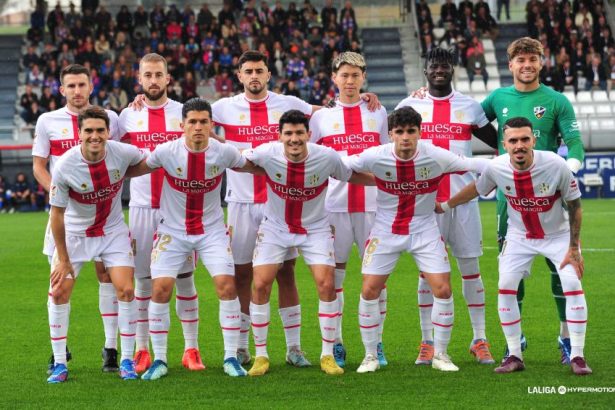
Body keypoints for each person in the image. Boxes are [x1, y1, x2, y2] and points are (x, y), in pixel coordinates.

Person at [438, 117, 591, 375]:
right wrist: (444, 206)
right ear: (504, 144)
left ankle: (577, 355)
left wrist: (574, 247)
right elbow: (476, 188)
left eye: (524, 139)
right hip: (519, 237)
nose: (519, 145)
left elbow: (575, 206)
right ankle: (514, 355)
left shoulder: (556, 165)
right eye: (513, 140)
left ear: (533, 140)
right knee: (506, 286)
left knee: (572, 284)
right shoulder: (496, 167)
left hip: (557, 236)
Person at [345, 107, 489, 374]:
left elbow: (474, 164)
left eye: (411, 131)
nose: (405, 138)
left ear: (420, 133)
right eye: (399, 132)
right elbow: (342, 168)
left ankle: (441, 354)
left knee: (443, 289)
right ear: (390, 135)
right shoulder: (375, 156)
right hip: (385, 230)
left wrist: (514, 164)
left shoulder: (435, 155)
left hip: (424, 229)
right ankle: (369, 355)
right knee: (369, 290)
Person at [125, 98, 259, 380]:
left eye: (203, 122)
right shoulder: (165, 152)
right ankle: (160, 359)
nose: (198, 127)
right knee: (160, 288)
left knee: (226, 285)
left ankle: (231, 357)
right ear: (182, 125)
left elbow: (255, 165)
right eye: (193, 122)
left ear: (211, 125)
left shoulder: (224, 153)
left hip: (211, 232)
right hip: (172, 232)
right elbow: (135, 169)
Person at [243, 109, 373, 376]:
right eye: (288, 133)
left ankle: (327, 355)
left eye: (299, 133)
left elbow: (350, 176)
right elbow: (236, 161)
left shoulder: (326, 157)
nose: (294, 139)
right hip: (275, 226)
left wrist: (386, 181)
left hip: (315, 227)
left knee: (327, 284)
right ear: (279, 136)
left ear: (309, 134)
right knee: (260, 283)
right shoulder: (267, 152)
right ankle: (261, 355)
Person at [481, 37, 584, 364]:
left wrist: (569, 170)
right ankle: (516, 341)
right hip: (508, 199)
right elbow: (469, 121)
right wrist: (497, 149)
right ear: (510, 65)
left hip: (549, 196)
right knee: (510, 271)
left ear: (541, 62)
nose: (526, 65)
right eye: (520, 60)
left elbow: (575, 142)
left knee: (561, 269)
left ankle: (566, 337)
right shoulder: (497, 97)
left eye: (532, 59)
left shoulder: (556, 101)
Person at [396, 47, 498, 367]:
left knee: (471, 270)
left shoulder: (469, 107)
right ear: (425, 71)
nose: (439, 69)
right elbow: (391, 140)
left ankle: (479, 338)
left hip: (463, 201)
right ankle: (427, 341)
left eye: (445, 65)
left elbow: (499, 141)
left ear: (452, 70)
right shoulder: (410, 104)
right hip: (425, 205)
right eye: (433, 65)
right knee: (428, 275)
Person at [32, 64, 121, 374]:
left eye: (82, 84)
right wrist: (59, 193)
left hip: (104, 214)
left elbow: (123, 152)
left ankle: (111, 348)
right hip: (66, 217)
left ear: (91, 86)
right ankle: (60, 351)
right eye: (71, 86)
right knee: (60, 283)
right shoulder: (47, 121)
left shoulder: (111, 118)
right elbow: (39, 166)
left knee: (107, 276)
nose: (77, 91)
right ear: (62, 90)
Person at [46, 106, 144, 383]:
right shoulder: (65, 165)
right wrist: (63, 259)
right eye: (89, 130)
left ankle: (126, 360)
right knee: (58, 292)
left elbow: (146, 162)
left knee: (126, 290)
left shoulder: (122, 152)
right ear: (79, 133)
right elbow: (56, 214)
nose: (95, 135)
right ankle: (60, 364)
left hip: (112, 231)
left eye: (100, 130)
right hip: (76, 235)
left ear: (108, 131)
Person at [118, 53, 200, 374]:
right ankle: (142, 350)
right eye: (147, 75)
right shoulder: (126, 116)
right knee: (143, 282)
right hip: (140, 210)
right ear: (140, 80)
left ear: (168, 78)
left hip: (178, 211)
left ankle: (191, 348)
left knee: (184, 279)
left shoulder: (184, 113)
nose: (153, 80)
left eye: (158, 75)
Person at [309, 51, 389, 368]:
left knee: (376, 279)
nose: (350, 81)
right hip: (333, 209)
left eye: (356, 75)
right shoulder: (320, 119)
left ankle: (377, 344)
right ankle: (337, 343)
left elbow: (387, 156)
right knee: (334, 279)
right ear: (334, 78)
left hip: (374, 207)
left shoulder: (379, 113)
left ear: (363, 78)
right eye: (344, 75)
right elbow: (308, 156)